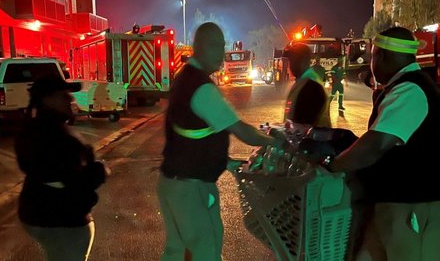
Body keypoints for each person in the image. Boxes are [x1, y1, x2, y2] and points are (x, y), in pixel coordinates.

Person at [157, 22, 285, 261]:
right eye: (214, 46)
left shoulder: (185, 78)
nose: (221, 53)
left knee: (177, 251)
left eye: (222, 45)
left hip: (173, 183)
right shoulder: (201, 88)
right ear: (199, 47)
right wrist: (277, 143)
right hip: (190, 188)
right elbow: (243, 131)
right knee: (206, 248)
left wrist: (225, 162)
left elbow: (191, 134)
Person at [309, 27, 440, 261]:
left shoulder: (411, 90)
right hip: (391, 204)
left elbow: (375, 145)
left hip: (411, 206)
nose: (370, 62)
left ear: (382, 56)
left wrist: (332, 164)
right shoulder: (403, 86)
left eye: (372, 56)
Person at [14, 76, 108, 261]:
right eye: (64, 95)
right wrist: (99, 170)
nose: (71, 99)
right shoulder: (55, 136)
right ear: (47, 100)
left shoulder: (33, 129)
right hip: (62, 221)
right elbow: (74, 181)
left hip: (39, 215)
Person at [283, 43, 331, 128]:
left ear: (305, 60)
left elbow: (300, 130)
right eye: (290, 60)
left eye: (294, 59)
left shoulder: (311, 88)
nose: (290, 65)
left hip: (312, 140)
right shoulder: (301, 82)